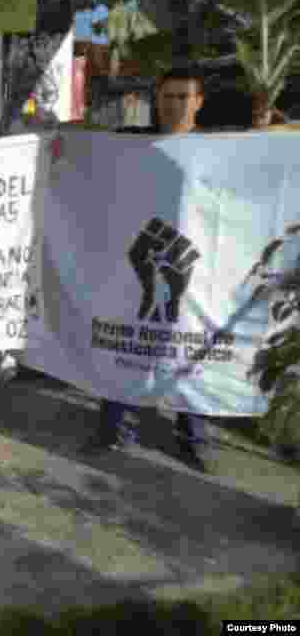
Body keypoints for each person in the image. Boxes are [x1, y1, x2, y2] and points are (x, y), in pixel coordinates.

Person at [80, 66, 212, 472]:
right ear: (157, 100)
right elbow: (85, 147)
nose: (175, 105)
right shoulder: (133, 143)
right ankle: (116, 427)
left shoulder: (220, 149)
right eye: (168, 97)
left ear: (199, 102)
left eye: (184, 97)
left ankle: (193, 437)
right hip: (135, 262)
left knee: (190, 350)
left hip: (195, 265)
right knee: (128, 342)